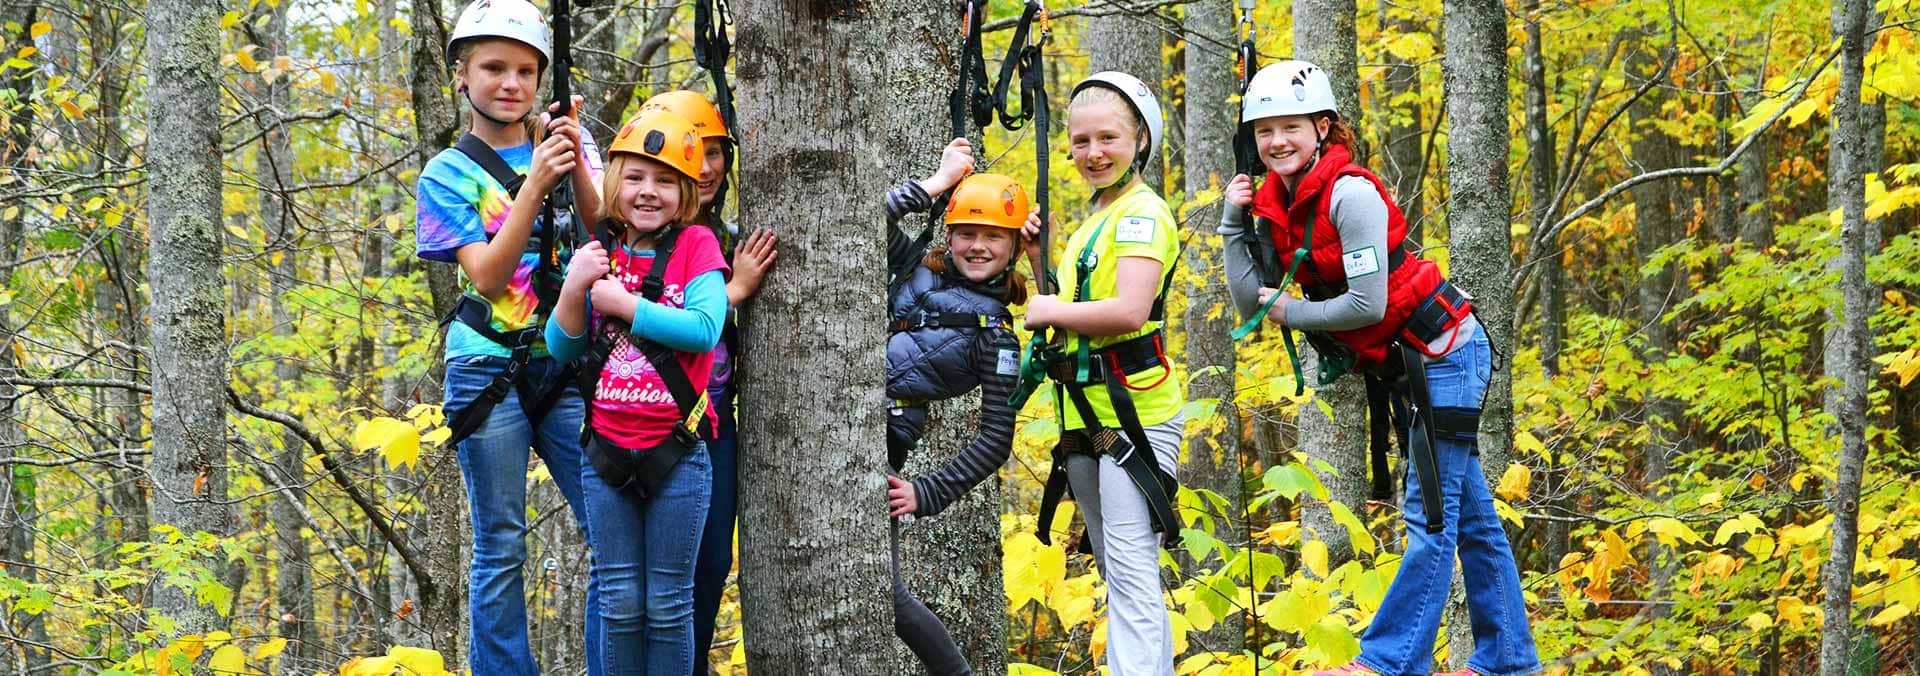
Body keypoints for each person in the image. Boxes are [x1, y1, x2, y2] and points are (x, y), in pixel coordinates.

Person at [1219, 60, 1540, 676]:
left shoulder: (1350, 193)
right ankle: (1510, 662)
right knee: (1470, 518)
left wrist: (1290, 311)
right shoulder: (1274, 201)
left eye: (1290, 126)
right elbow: (1246, 301)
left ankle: (1390, 662)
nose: (1276, 141)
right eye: (1263, 131)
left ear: (1322, 127)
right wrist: (1234, 222)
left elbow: (1366, 302)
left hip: (1443, 351)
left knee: (1432, 516)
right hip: (1403, 364)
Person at [413, 0, 602, 669]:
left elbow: (603, 221)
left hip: (564, 362)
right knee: (501, 541)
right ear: (461, 76)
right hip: (487, 366)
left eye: (525, 70)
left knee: (606, 526)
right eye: (493, 68)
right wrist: (533, 186)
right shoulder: (446, 174)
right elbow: (488, 277)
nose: (511, 83)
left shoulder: (564, 144)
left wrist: (574, 155)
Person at [545, 109, 730, 675]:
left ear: (685, 191)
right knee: (621, 602)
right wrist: (575, 287)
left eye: (665, 181)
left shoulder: (697, 246)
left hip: (676, 454)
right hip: (604, 453)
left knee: (669, 604)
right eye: (634, 178)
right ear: (613, 185)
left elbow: (704, 328)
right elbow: (562, 348)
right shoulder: (600, 247)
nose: (648, 192)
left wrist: (627, 305)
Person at [1022, 71, 1186, 676]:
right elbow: (1084, 302)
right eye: (1081, 140)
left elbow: (1130, 310)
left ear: (1140, 139)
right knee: (1116, 568)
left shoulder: (1143, 214)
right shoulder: (1099, 216)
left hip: (1133, 416)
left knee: (1131, 564)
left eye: (1109, 138)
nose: (1093, 153)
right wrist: (1043, 262)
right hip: (1089, 415)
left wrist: (1049, 309)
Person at [634, 90, 778, 675]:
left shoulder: (726, 234)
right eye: (695, 150)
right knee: (637, 583)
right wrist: (735, 291)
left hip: (712, 424)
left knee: (711, 564)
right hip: (641, 424)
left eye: (717, 151)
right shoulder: (638, 233)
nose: (709, 165)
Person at [880, 138, 1033, 675]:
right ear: (949, 234)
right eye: (966, 233)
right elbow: (861, 218)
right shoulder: (916, 267)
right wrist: (936, 184)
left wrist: (926, 492)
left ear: (1014, 247)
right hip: (838, 419)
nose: (976, 246)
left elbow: (996, 438)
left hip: (888, 436)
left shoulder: (997, 337)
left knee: (888, 595)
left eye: (993, 236)